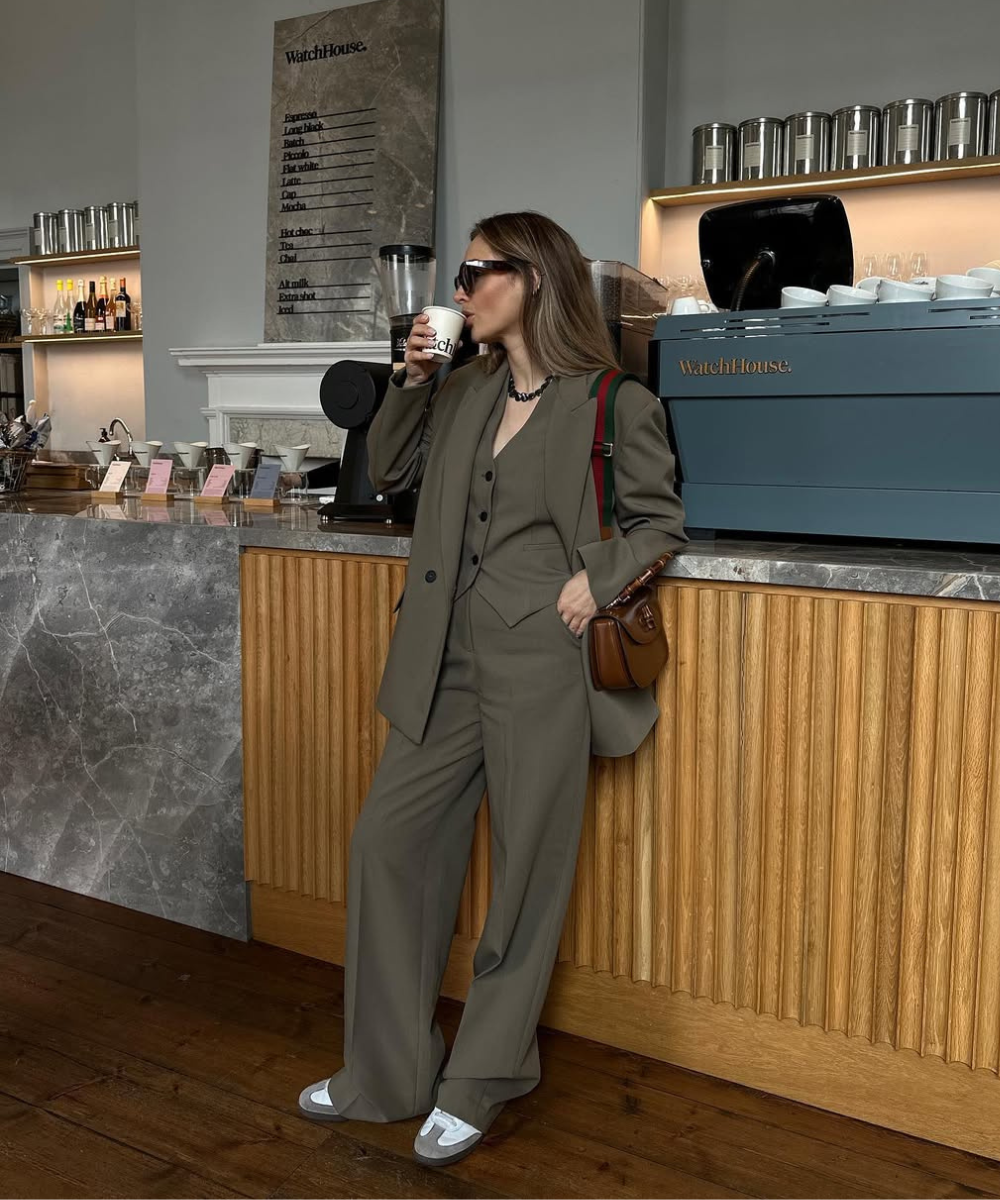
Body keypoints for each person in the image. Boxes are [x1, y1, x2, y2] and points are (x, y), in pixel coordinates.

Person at [298, 211, 688, 1167]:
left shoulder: (611, 400)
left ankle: (480, 1080)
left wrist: (594, 579)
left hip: (543, 667)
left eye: (478, 273)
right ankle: (384, 1072)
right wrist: (411, 382)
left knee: (524, 877)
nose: (462, 290)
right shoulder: (463, 390)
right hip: (440, 656)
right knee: (389, 846)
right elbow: (386, 471)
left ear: (535, 281)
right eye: (461, 276)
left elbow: (657, 520)